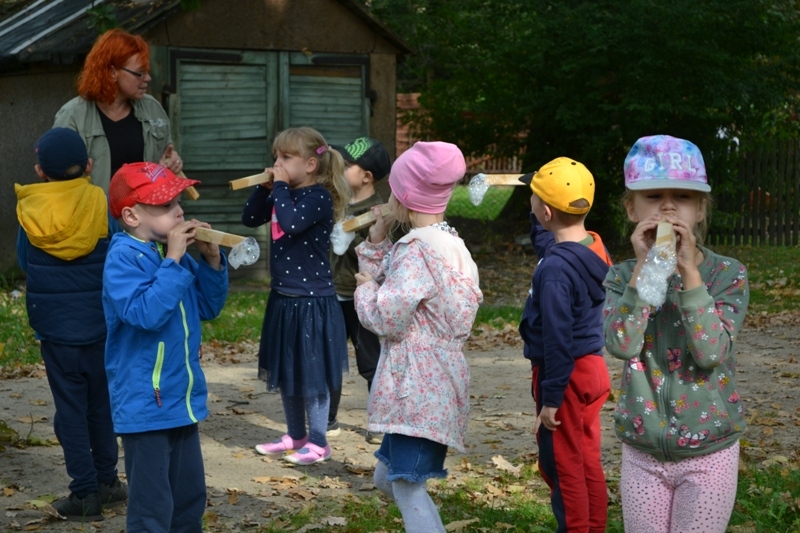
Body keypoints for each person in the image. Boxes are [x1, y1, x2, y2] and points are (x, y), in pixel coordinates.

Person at [604, 135, 749, 533]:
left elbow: (710, 351)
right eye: (653, 196)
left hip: (709, 450)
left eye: (682, 196)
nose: (668, 207)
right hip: (643, 450)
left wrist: (688, 273)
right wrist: (643, 273)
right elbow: (621, 343)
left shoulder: (726, 275)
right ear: (632, 208)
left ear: (700, 209)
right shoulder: (620, 277)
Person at [354, 141, 483, 533]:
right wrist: (377, 245)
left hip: (417, 389)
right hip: (436, 383)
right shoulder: (450, 245)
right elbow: (401, 280)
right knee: (387, 477)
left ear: (404, 197)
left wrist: (364, 290)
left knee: (408, 487)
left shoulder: (416, 251)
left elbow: (387, 316)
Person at [103, 161, 229, 532]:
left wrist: (210, 259)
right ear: (131, 215)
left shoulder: (167, 252)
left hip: (181, 399)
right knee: (151, 508)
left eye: (177, 200)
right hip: (146, 403)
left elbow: (207, 306)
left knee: (188, 500)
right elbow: (144, 313)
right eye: (163, 205)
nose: (178, 211)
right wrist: (174, 259)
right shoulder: (123, 257)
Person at [15, 128, 127, 522]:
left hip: (57, 332)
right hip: (99, 326)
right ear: (89, 166)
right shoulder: (99, 201)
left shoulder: (29, 209)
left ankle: (83, 493)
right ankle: (108, 482)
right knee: (101, 405)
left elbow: (25, 262)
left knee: (71, 412)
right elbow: (115, 254)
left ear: (39, 171)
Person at [242, 126, 350, 465]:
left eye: (285, 158)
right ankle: (296, 434)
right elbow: (250, 218)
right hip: (284, 297)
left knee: (312, 373)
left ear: (310, 165)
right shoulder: (283, 192)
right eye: (275, 157)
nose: (277, 163)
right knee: (288, 368)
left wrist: (278, 187)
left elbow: (289, 223)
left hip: (312, 300)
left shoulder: (317, 198)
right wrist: (264, 190)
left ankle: (319, 441)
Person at [517, 157, 613, 533]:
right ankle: (594, 525)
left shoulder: (555, 271)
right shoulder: (592, 247)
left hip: (565, 375)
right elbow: (550, 237)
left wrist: (551, 398)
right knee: (587, 457)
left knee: (564, 463)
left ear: (544, 211)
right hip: (593, 369)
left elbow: (558, 337)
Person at [53, 28, 183, 193]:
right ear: (112, 72)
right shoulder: (72, 115)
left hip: (146, 214)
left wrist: (173, 162)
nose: (148, 79)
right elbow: (57, 178)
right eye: (140, 73)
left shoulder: (152, 108)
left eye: (147, 72)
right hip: (96, 216)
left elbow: (167, 156)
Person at [328, 137, 392, 444]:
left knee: (370, 358)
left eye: (347, 164)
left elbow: (378, 257)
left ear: (366, 176)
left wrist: (352, 237)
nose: (339, 168)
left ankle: (379, 420)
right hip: (330, 293)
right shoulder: (336, 203)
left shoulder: (379, 213)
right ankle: (326, 419)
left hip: (362, 296)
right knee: (329, 357)